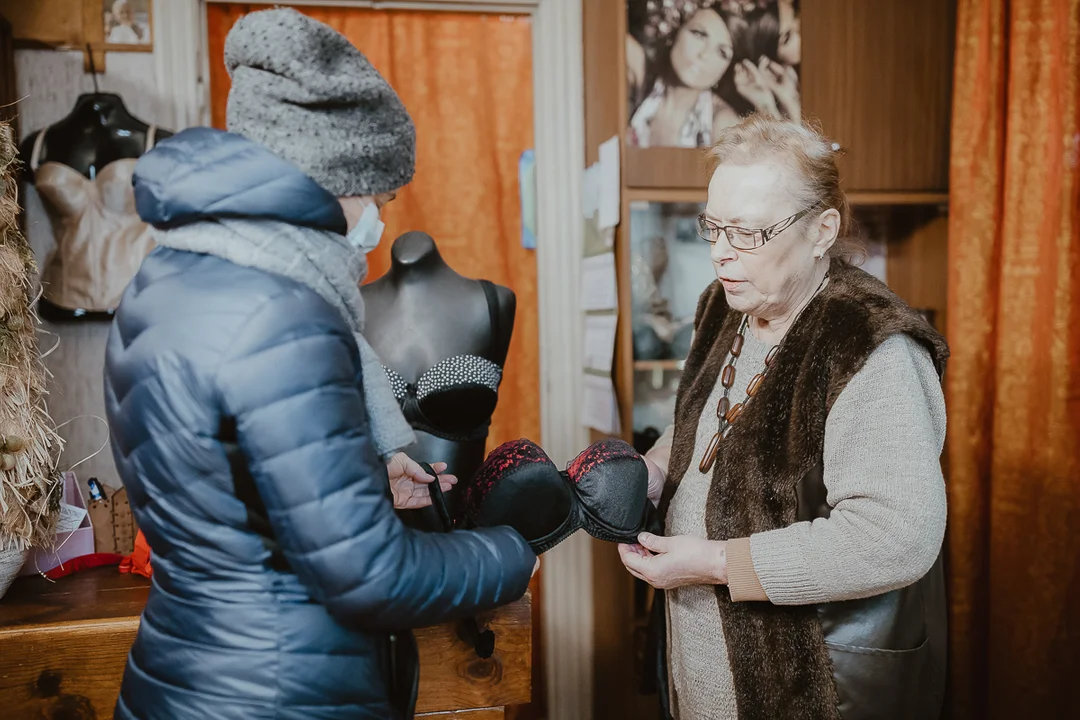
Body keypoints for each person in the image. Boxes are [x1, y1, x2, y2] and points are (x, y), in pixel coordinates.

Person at [104, 9, 537, 720]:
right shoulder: (287, 318)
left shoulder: (164, 283)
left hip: (180, 674)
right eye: (378, 195)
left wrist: (360, 478)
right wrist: (512, 556)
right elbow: (369, 578)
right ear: (333, 178)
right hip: (280, 690)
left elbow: (225, 495)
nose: (380, 221)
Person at [619, 115, 948, 719]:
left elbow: (898, 536)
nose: (720, 253)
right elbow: (703, 420)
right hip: (702, 662)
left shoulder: (872, 345)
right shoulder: (723, 305)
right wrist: (656, 468)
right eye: (713, 227)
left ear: (822, 229)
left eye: (747, 233)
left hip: (805, 682)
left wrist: (717, 563)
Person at [626, 1, 798, 148]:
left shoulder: (722, 122)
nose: (704, 55)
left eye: (722, 53)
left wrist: (767, 104)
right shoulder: (645, 77)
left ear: (725, 71)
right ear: (675, 32)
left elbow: (783, 171)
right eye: (699, 34)